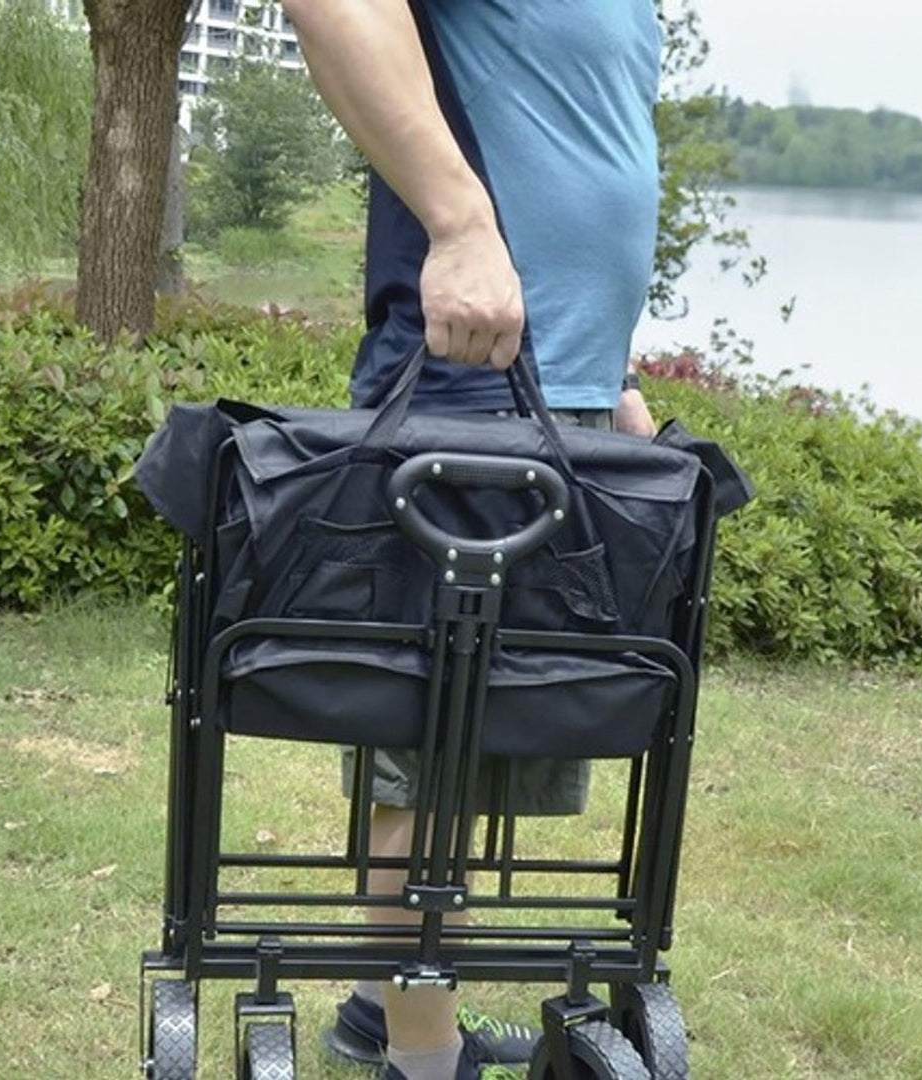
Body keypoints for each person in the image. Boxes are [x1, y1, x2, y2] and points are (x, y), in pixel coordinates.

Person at [281, 2, 663, 1077]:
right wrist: (456, 224)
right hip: (468, 382)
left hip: (563, 392)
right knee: (431, 746)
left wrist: (611, 374)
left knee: (493, 732)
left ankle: (381, 1009)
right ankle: (423, 1062)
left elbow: (566, 138)